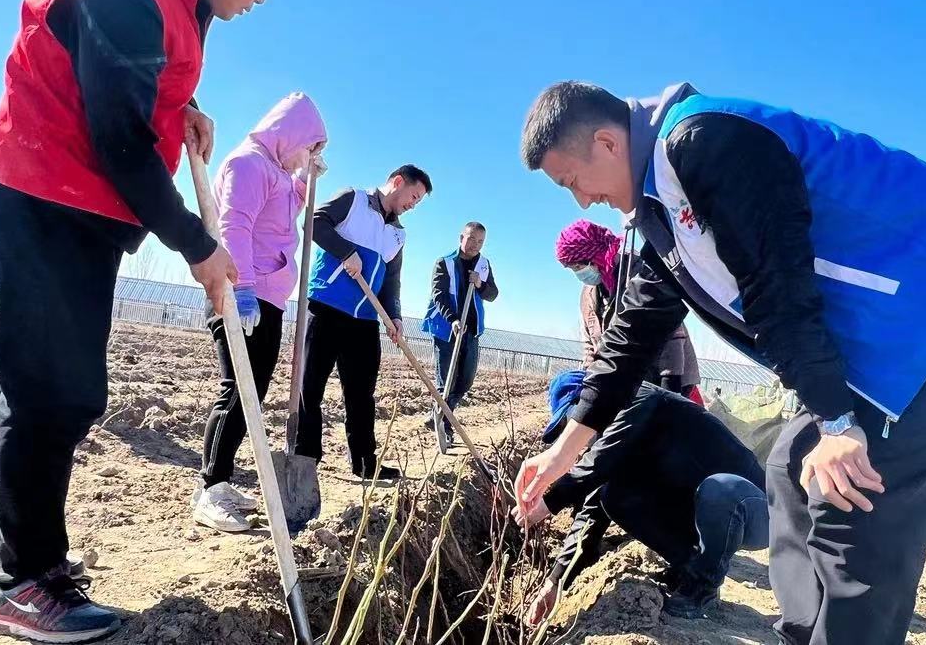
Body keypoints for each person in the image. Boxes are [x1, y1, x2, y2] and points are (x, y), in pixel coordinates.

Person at [513, 81, 926, 645]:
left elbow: (776, 286)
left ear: (608, 143)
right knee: (789, 470)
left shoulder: (705, 141)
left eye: (572, 181)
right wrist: (560, 455)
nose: (581, 200)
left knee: (851, 505)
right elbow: (629, 342)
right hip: (894, 334)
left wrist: (837, 421)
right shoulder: (659, 216)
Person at [0, 0, 295, 641]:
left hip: (66, 210)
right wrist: (196, 244)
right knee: (54, 394)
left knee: (27, 389)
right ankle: (24, 584)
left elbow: (126, 87)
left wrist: (182, 109)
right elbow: (119, 141)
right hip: (39, 202)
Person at [514, 371, 767, 622]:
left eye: (570, 422)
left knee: (719, 488)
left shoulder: (638, 397)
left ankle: (703, 587)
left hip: (755, 512)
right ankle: (689, 567)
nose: (573, 436)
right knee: (615, 496)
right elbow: (592, 511)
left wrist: (549, 502)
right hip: (706, 508)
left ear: (588, 404)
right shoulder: (618, 436)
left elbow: (598, 463)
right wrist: (555, 581)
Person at [192, 92, 327, 533]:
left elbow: (283, 215)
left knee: (253, 390)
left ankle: (222, 480)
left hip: (266, 299)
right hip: (242, 296)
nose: (306, 156)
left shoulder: (276, 172)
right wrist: (244, 286)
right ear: (290, 134)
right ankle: (210, 489)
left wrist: (304, 180)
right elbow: (235, 225)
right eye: (308, 148)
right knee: (237, 390)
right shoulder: (248, 164)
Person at [296, 165, 433, 480]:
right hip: (327, 307)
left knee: (361, 394)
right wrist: (346, 252)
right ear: (397, 182)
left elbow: (392, 280)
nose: (413, 205)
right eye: (414, 196)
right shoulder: (353, 200)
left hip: (365, 320)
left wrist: (394, 315)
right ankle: (305, 458)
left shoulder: (397, 234)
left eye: (419, 201)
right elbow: (314, 222)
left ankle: (364, 462)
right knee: (310, 387)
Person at [554, 218, 701, 400]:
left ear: (593, 257)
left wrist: (669, 384)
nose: (578, 274)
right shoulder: (589, 294)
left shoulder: (639, 271)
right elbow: (589, 344)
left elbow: (671, 333)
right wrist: (589, 381)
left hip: (667, 373)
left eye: (578, 266)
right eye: (572, 269)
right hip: (628, 378)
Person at [420, 221, 500, 446]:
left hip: (471, 331)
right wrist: (453, 319)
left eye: (480, 241)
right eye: (471, 239)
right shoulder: (444, 262)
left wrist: (480, 284)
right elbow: (439, 295)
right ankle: (444, 427)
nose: (475, 245)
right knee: (446, 380)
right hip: (447, 329)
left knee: (465, 381)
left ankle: (439, 413)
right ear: (461, 238)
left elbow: (493, 294)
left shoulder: (483, 265)